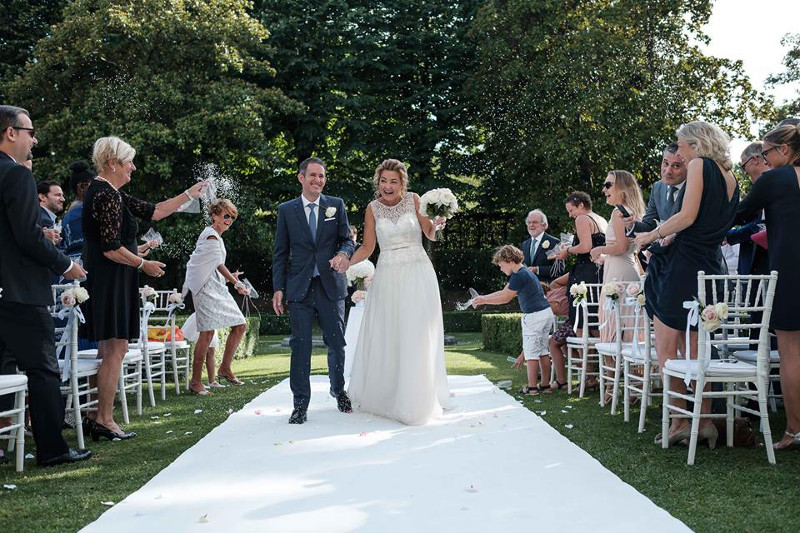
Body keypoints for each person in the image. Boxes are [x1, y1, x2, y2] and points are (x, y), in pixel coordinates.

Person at [81, 136, 207, 440]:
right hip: (111, 279)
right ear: (112, 164)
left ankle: (98, 415)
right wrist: (141, 264)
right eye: (128, 163)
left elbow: (155, 211)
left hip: (110, 276)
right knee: (116, 347)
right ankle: (105, 419)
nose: (133, 168)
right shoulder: (106, 195)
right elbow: (110, 249)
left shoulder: (110, 193)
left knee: (110, 347)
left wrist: (190, 193)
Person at [635, 121, 739, 448]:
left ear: (696, 143)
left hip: (683, 267)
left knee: (667, 349)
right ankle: (704, 422)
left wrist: (650, 236)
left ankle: (680, 421)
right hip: (711, 266)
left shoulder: (698, 165)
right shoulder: (731, 177)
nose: (678, 152)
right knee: (698, 351)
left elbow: (687, 216)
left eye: (681, 145)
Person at [0, 104, 90, 466]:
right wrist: (66, 264)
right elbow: (25, 236)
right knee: (42, 370)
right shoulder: (17, 175)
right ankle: (52, 449)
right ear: (10, 133)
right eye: (29, 131)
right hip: (19, 291)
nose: (33, 139)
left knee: (3, 370)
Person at [346, 158, 450, 425]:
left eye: (393, 181)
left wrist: (438, 225)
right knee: (390, 332)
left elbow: (429, 233)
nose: (388, 186)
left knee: (416, 333)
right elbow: (368, 247)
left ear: (402, 183)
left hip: (417, 273)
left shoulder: (415, 200)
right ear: (377, 183)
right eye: (383, 181)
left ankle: (418, 398)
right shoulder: (372, 209)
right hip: (388, 275)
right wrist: (347, 263)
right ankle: (389, 395)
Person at [272, 157, 356, 424]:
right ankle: (300, 404)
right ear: (301, 178)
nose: (318, 180)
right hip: (299, 288)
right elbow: (280, 253)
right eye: (313, 176)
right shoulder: (286, 210)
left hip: (331, 285)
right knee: (301, 347)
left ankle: (338, 390)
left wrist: (344, 253)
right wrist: (278, 288)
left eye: (321, 176)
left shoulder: (336, 205)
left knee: (337, 343)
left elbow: (347, 240)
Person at [736, 121, 800, 450]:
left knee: (791, 354)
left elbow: (739, 213)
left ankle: (793, 431)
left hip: (791, 272)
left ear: (784, 150)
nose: (763, 157)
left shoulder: (776, 179)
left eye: (766, 151)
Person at [182, 199, 249, 395]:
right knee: (207, 333)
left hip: (215, 286)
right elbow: (218, 264)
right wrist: (235, 283)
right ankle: (196, 382)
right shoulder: (211, 236)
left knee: (240, 325)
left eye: (232, 217)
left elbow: (211, 266)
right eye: (226, 216)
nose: (229, 220)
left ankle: (224, 368)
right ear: (214, 216)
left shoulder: (216, 237)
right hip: (205, 288)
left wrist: (230, 278)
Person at [474, 245, 555, 395]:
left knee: (531, 353)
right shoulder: (523, 272)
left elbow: (505, 298)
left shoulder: (519, 275)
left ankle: (532, 388)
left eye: (501, 265)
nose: (501, 268)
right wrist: (483, 298)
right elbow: (504, 291)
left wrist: (484, 301)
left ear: (509, 260)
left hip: (534, 316)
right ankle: (545, 386)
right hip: (546, 313)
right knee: (543, 351)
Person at [623, 143, 688, 321]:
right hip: (662, 265)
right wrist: (631, 225)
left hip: (689, 262)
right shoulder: (658, 187)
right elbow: (648, 224)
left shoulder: (694, 187)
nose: (668, 171)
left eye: (676, 166)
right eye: (665, 163)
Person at [590, 170, 645, 343]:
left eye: (608, 185)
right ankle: (632, 369)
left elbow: (622, 246)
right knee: (630, 330)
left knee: (612, 328)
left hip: (619, 274)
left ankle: (611, 371)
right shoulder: (633, 211)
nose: (604, 189)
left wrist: (599, 250)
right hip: (629, 270)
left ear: (622, 187)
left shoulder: (618, 212)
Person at [551, 191, 607, 328]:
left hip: (586, 272)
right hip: (600, 271)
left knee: (582, 319)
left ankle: (586, 349)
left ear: (581, 205)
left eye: (571, 210)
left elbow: (586, 246)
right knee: (596, 316)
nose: (570, 215)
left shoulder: (582, 219)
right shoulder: (601, 220)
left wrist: (567, 251)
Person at [726, 142, 770, 278]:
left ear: (756, 160)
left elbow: (761, 224)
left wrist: (727, 234)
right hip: (750, 264)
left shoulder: (771, 183)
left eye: (744, 166)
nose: (744, 172)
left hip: (766, 264)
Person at [59, 161, 95, 261]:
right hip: (84, 267)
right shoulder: (82, 212)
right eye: (92, 186)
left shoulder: (70, 212)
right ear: (82, 187)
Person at [521, 209, 560, 282]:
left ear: (544, 225)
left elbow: (558, 269)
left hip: (547, 288)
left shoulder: (554, 243)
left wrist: (537, 269)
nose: (531, 225)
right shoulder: (524, 245)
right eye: (529, 222)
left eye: (535, 222)